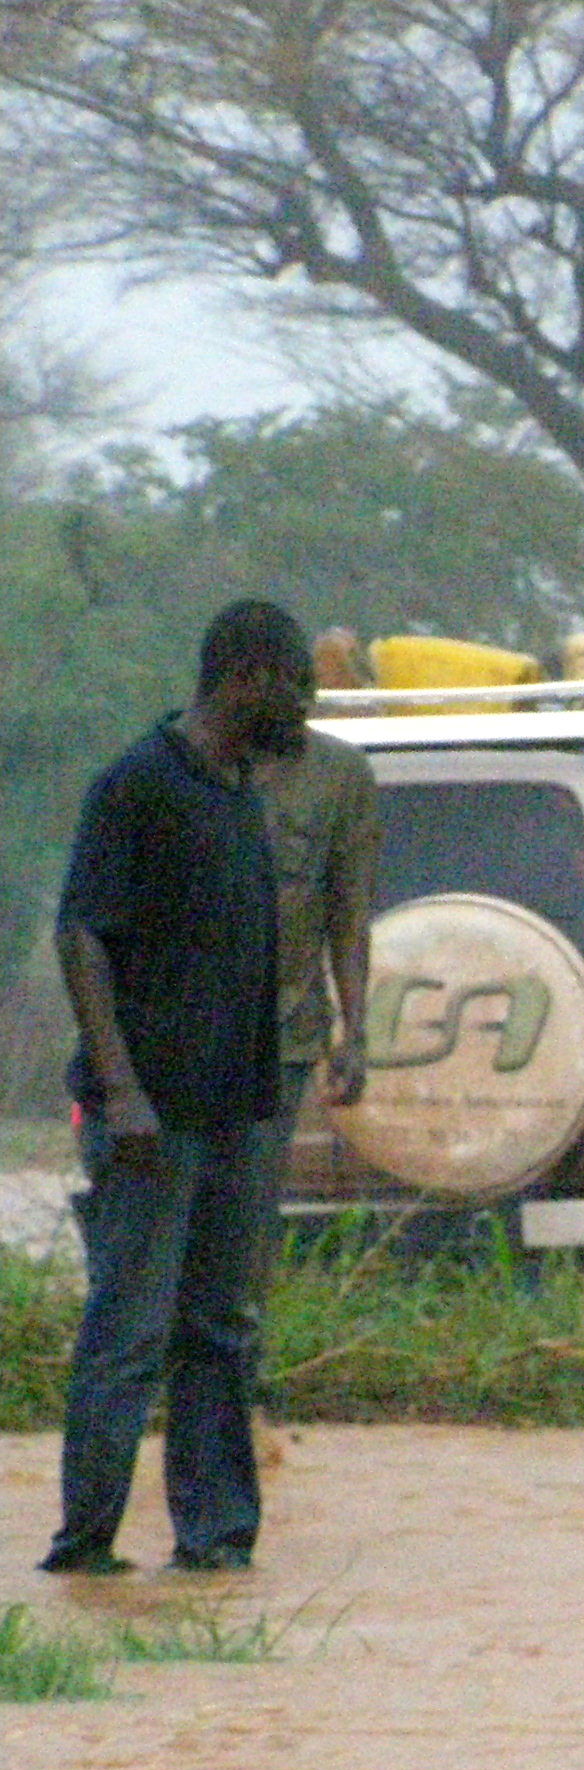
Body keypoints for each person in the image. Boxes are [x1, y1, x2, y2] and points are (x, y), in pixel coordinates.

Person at [37, 602, 302, 1575]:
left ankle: (216, 1544)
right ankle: (84, 1550)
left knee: (221, 1332)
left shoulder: (240, 792)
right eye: (295, 688)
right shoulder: (136, 786)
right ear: (247, 678)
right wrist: (123, 1092)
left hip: (234, 1112)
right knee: (129, 1335)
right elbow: (82, 937)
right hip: (148, 1119)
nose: (303, 712)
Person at [247, 647, 379, 1276]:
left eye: (310, 689)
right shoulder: (180, 769)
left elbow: (349, 914)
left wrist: (354, 1033)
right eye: (288, 686)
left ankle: (233, 1365)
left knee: (249, 1221)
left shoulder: (339, 774)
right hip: (184, 1037)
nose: (303, 703)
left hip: (284, 1038)